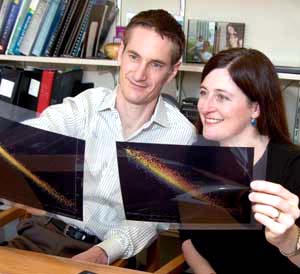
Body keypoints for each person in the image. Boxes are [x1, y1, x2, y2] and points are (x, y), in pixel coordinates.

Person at [5, 9, 197, 265]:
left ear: (173, 71)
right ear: (120, 54)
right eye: (134, 57)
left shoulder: (180, 135)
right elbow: (34, 135)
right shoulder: (86, 106)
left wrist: (102, 254)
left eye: (156, 64)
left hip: (107, 254)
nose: (140, 74)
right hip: (43, 235)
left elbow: (148, 219)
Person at [180, 48, 300, 273]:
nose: (205, 107)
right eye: (204, 92)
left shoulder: (293, 167)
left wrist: (289, 240)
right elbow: (187, 238)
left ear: (255, 108)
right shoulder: (195, 158)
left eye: (222, 97)